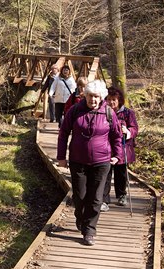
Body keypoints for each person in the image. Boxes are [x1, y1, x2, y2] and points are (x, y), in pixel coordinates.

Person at [57, 79, 123, 246]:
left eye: (96, 97)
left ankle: (89, 230)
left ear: (102, 97)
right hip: (78, 160)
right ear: (85, 95)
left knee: (96, 197)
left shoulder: (109, 113)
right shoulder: (75, 111)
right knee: (80, 195)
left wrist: (118, 155)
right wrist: (61, 157)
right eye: (90, 96)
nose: (93, 100)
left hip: (102, 161)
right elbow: (64, 133)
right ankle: (80, 217)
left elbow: (116, 136)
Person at [101, 86, 139, 211]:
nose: (111, 102)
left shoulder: (128, 113)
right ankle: (104, 199)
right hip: (106, 147)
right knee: (105, 173)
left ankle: (121, 195)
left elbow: (135, 128)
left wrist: (127, 131)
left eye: (114, 100)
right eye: (109, 99)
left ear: (119, 100)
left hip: (123, 147)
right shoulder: (103, 112)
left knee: (121, 173)